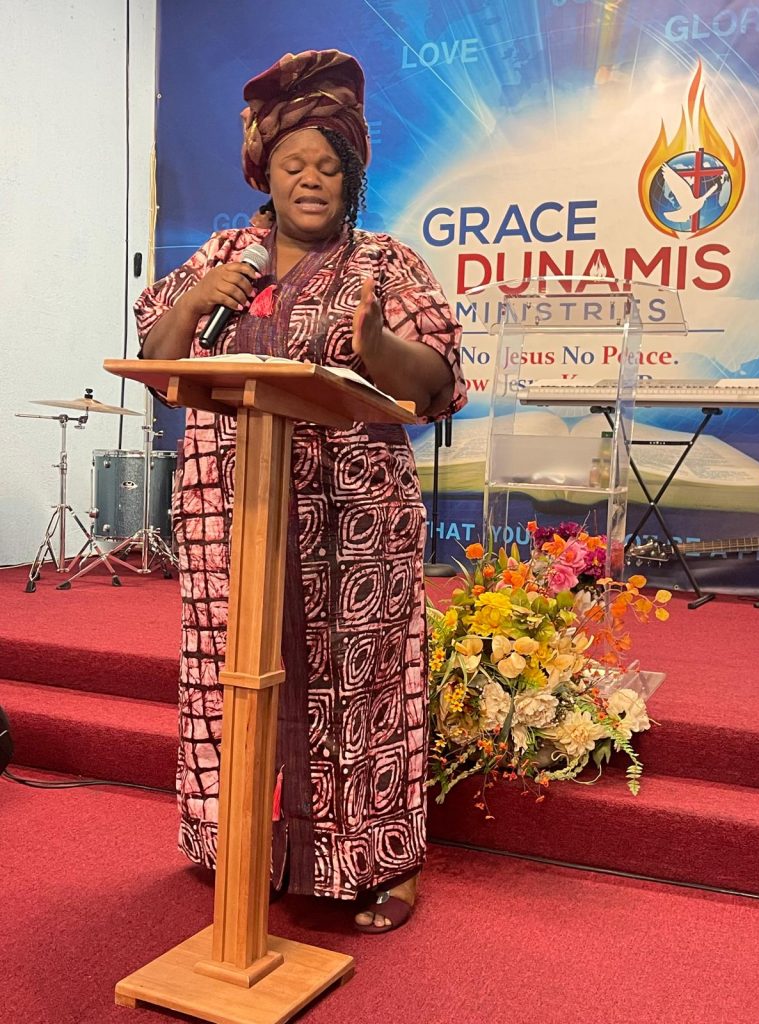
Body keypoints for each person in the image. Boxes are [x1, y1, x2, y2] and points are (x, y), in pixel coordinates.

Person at [135, 49, 466, 934]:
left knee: (360, 689)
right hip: (230, 513)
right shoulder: (224, 257)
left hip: (351, 524)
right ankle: (249, 846)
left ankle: (383, 864)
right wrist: (196, 299)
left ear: (351, 177)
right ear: (265, 172)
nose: (311, 180)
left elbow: (435, 380)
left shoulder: (383, 264)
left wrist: (375, 344)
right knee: (232, 679)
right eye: (294, 164)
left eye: (328, 165)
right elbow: (158, 362)